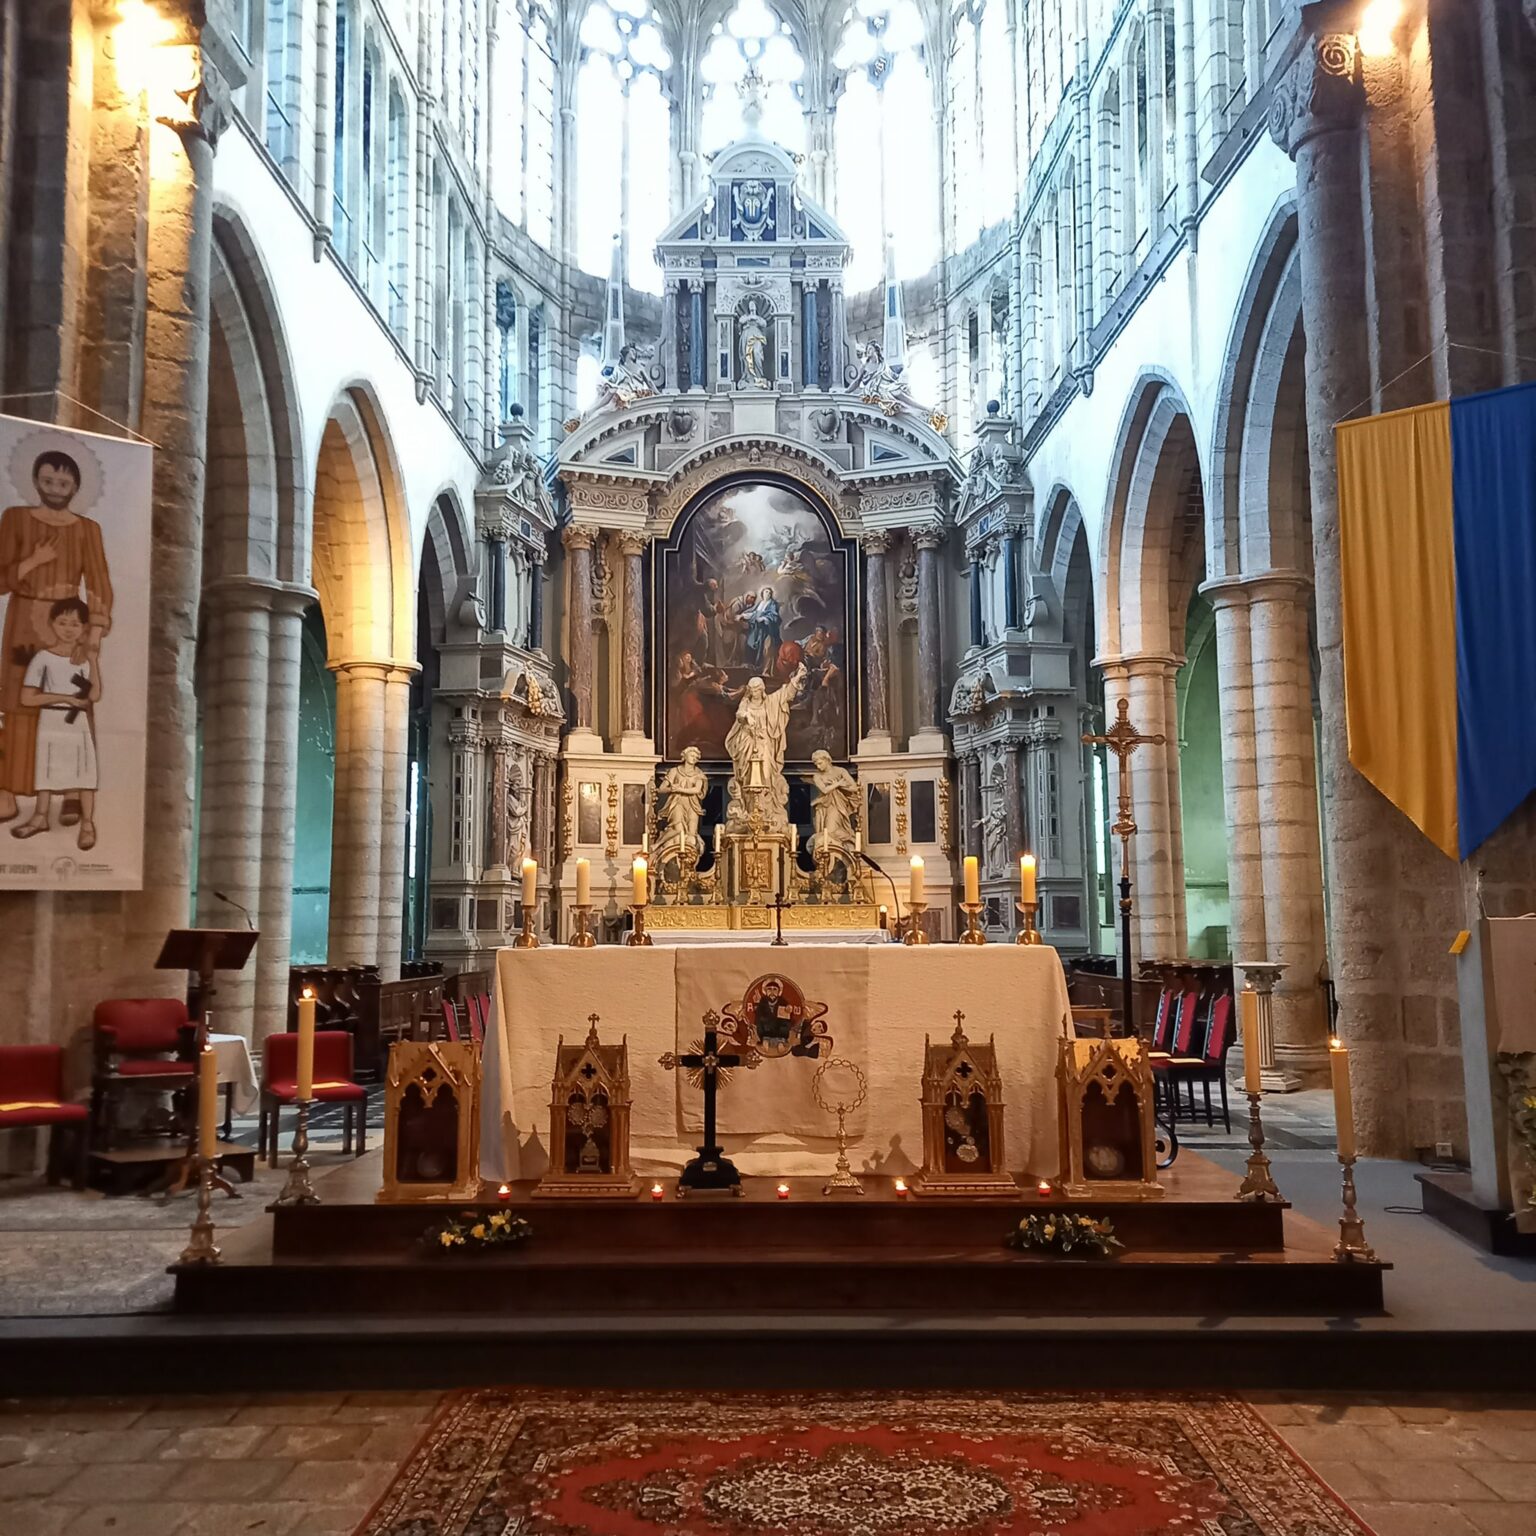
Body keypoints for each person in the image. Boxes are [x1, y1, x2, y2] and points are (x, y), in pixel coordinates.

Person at [0, 449, 113, 826]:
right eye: (47, 481)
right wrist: (32, 561)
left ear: (76, 487)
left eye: (63, 483)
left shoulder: (87, 529)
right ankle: (9, 791)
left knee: (72, 706)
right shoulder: (15, 519)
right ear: (35, 481)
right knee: (18, 702)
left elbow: (98, 584)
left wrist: (93, 634)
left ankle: (69, 794)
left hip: (68, 623)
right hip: (23, 621)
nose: (55, 489)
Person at [13, 597, 100, 849]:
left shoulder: (82, 659)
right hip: (51, 719)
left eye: (75, 623)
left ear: (83, 628)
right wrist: (64, 698)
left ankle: (87, 824)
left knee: (85, 772)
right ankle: (40, 817)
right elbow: (27, 697)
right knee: (47, 768)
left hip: (77, 723)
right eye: (63, 622)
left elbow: (94, 695)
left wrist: (93, 661)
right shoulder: (43, 658)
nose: (69, 628)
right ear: (52, 624)